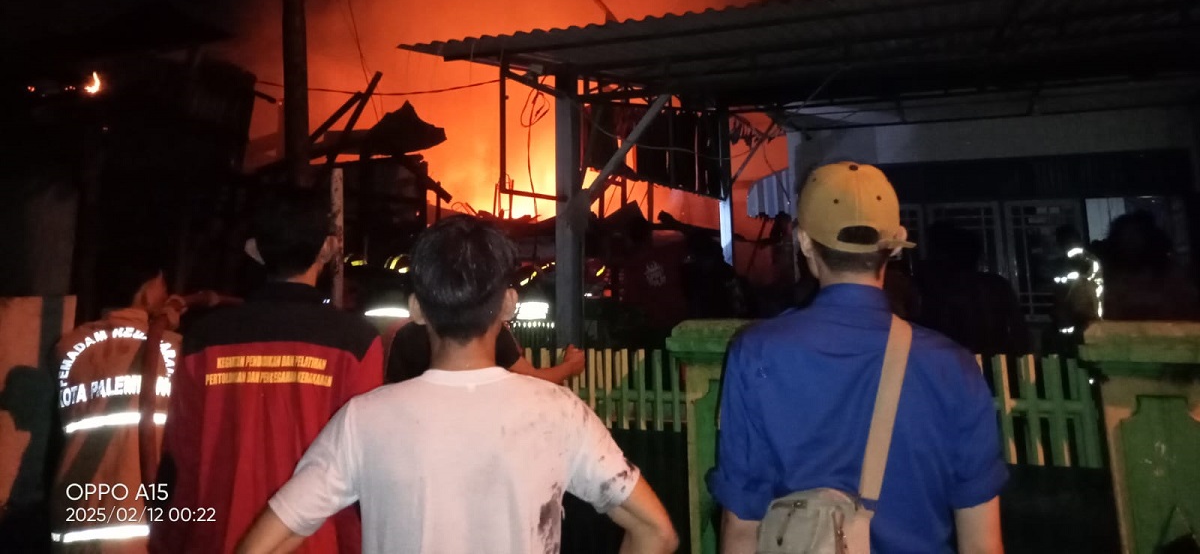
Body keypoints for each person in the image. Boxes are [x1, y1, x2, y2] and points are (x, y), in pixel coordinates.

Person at [236, 215, 678, 554]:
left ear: (416, 310)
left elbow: (262, 545)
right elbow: (657, 531)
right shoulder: (558, 412)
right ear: (508, 304)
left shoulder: (364, 419)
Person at [709, 162, 1007, 554]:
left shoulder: (757, 353)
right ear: (895, 246)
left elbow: (741, 527)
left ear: (804, 243)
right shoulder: (954, 368)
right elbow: (982, 542)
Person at [151, 188, 382, 554]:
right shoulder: (355, 343)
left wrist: (168, 542)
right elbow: (363, 471)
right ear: (329, 248)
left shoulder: (203, 340)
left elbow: (179, 460)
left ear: (254, 251)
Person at [50, 255, 180, 552]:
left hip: (73, 524)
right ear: (148, 291)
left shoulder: (67, 346)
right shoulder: (173, 348)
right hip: (135, 532)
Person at [915, 222, 1030, 356]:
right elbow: (1019, 330)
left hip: (961, 362)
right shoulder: (996, 285)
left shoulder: (942, 289)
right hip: (994, 362)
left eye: (931, 251)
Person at [385, 318, 585, 384]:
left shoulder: (403, 331)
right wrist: (569, 367)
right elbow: (534, 380)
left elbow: (390, 385)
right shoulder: (489, 328)